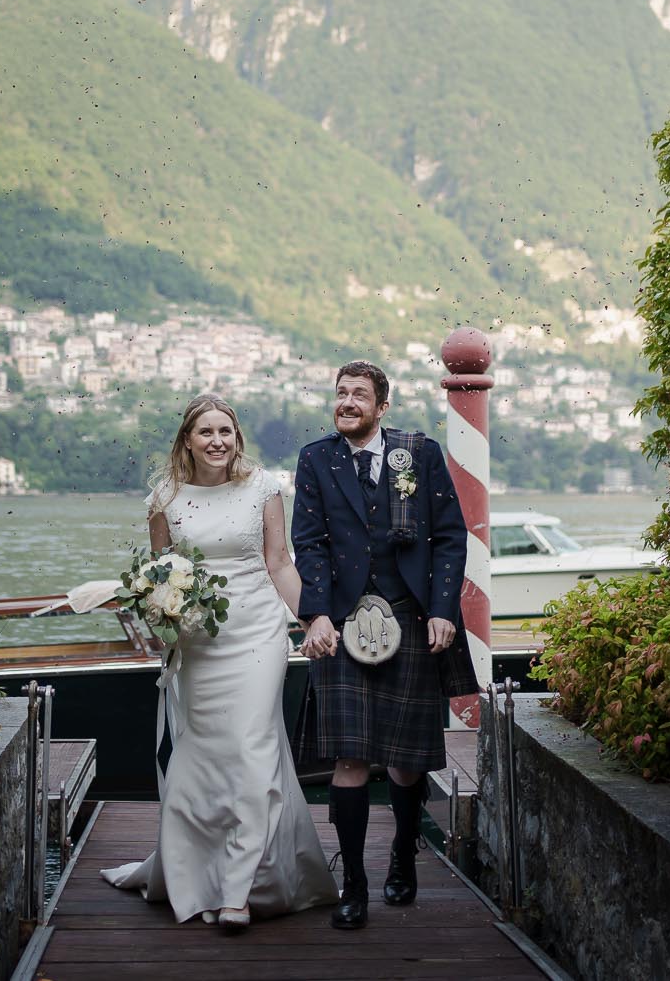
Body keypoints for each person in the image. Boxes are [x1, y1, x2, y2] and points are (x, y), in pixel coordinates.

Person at [101, 395, 337, 930]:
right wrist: (162, 617)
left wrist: (313, 619)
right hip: (200, 640)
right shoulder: (165, 496)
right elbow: (162, 572)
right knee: (204, 752)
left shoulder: (263, 488)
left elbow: (279, 563)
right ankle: (195, 872)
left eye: (225, 431)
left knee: (253, 747)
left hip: (257, 632)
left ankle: (239, 888)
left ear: (238, 437)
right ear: (187, 439)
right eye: (205, 431)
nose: (217, 441)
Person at [291, 361, 477, 930]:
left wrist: (444, 611)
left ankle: (402, 847)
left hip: (412, 618)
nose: (346, 402)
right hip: (345, 626)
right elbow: (309, 542)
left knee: (404, 760)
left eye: (359, 395)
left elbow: (449, 537)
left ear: (382, 406)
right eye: (341, 393)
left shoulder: (417, 454)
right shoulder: (315, 459)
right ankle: (354, 884)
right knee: (349, 756)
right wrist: (316, 614)